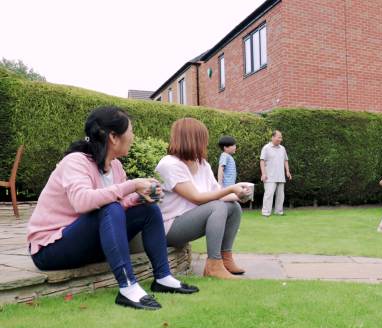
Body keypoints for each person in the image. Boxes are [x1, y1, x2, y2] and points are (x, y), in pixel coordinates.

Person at [27, 107, 198, 311]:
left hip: (87, 241)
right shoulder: (75, 161)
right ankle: (128, 287)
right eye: (131, 131)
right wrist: (132, 185)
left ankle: (163, 277)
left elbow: (119, 203)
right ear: (114, 137)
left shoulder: (115, 166)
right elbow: (83, 202)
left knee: (148, 210)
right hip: (51, 248)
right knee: (110, 209)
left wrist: (140, 197)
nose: (133, 136)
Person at [156, 118, 250, 280]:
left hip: (190, 220)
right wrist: (231, 188)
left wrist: (238, 195)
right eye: (203, 139)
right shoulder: (169, 164)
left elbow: (217, 191)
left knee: (233, 207)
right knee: (217, 206)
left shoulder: (202, 164)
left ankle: (225, 258)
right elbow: (197, 198)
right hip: (169, 227)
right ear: (193, 139)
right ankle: (213, 265)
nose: (206, 143)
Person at [260, 130, 292, 216]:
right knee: (269, 195)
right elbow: (262, 161)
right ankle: (266, 212)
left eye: (281, 137)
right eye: (279, 137)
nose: (280, 139)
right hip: (269, 176)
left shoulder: (283, 148)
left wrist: (288, 171)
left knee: (280, 196)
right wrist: (263, 174)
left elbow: (286, 160)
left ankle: (279, 211)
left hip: (281, 176)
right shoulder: (266, 148)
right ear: (273, 137)